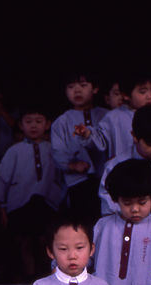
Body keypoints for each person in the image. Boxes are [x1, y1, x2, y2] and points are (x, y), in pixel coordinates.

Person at [0, 103, 63, 280]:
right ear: (21, 125)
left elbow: (63, 177)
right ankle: (27, 277)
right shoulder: (14, 151)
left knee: (45, 240)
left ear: (47, 124)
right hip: (20, 204)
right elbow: (2, 178)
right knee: (23, 241)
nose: (33, 125)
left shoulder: (54, 149)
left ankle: (47, 276)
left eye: (38, 121)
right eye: (28, 121)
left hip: (48, 204)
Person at [51, 70, 108, 222]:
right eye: (71, 87)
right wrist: (72, 165)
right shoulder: (61, 121)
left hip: (107, 180)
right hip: (78, 182)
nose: (77, 90)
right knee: (83, 222)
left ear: (95, 89)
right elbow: (58, 151)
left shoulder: (106, 116)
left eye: (83, 85)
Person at [84, 71, 151, 160]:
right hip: (122, 168)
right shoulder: (114, 117)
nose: (149, 96)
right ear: (126, 95)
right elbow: (101, 141)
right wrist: (88, 134)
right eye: (143, 92)